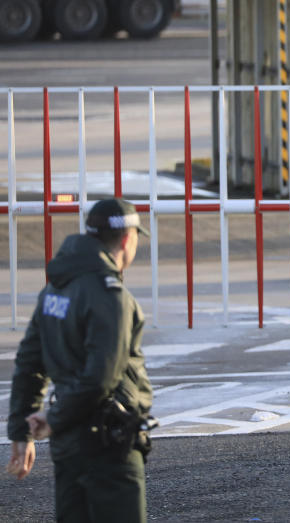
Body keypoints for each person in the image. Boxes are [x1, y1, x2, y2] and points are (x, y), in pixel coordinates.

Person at [6, 198, 154, 522]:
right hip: (109, 443)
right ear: (128, 239)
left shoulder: (56, 288)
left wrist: (22, 429)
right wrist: (54, 418)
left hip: (68, 444)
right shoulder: (109, 295)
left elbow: (29, 362)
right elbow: (101, 377)